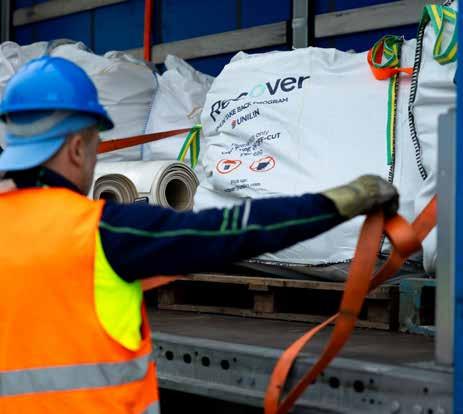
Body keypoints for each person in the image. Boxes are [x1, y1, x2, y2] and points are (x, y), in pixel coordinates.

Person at [0, 56, 398, 414]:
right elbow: (231, 231)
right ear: (76, 149)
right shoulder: (104, 231)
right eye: (95, 146)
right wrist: (341, 201)